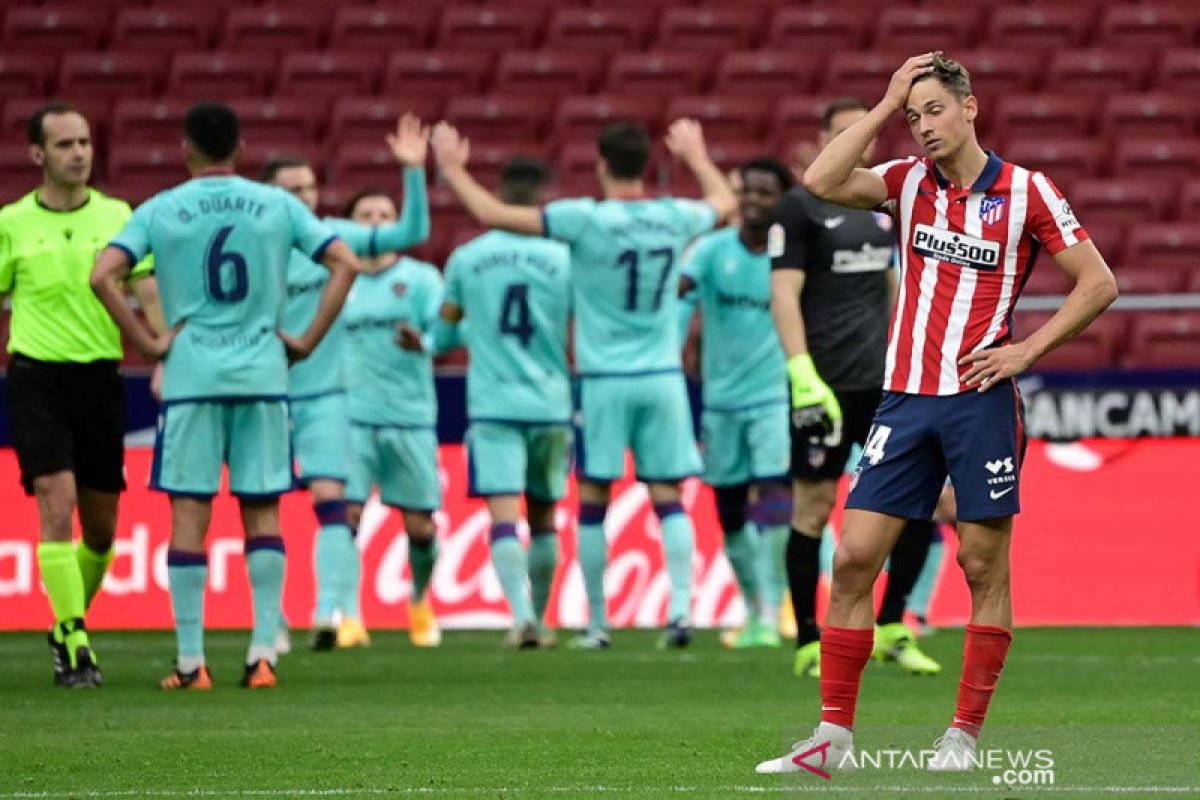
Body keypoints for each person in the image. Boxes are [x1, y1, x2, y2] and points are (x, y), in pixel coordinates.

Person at [755, 53, 1117, 774]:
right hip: (905, 399)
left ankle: (963, 737)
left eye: (933, 111)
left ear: (970, 107)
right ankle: (831, 742)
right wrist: (886, 105)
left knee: (982, 563)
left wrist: (1026, 351)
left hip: (980, 402)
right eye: (913, 117)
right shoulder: (905, 184)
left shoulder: (1025, 192)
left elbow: (1097, 282)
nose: (922, 127)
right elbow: (820, 181)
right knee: (855, 555)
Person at [431, 119, 736, 649]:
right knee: (668, 496)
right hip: (662, 377)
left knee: (594, 497)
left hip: (603, 380)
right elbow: (724, 201)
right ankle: (681, 612)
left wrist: (454, 170)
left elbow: (491, 214)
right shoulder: (675, 216)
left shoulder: (584, 220)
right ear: (645, 165)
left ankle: (597, 624)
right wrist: (697, 155)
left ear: (600, 164)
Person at [90, 103, 359, 690]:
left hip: (192, 379)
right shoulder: (277, 205)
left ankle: (191, 663)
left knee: (190, 515)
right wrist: (308, 340)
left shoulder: (162, 208)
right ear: (239, 150)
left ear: (187, 148)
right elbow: (345, 261)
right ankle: (262, 653)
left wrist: (148, 342)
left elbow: (102, 274)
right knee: (262, 513)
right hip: (263, 371)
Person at [768, 97, 941, 680]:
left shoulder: (881, 206)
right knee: (813, 509)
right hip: (824, 387)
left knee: (921, 502)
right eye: (845, 133)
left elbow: (895, 287)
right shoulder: (799, 209)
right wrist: (801, 372)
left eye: (865, 133)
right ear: (823, 140)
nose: (859, 143)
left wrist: (909, 356)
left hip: (886, 387)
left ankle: (893, 624)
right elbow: (784, 293)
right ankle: (810, 641)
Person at [0, 103, 159, 687]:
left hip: (100, 377)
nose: (79, 154)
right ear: (37, 154)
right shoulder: (11, 222)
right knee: (54, 499)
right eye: (65, 144)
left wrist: (161, 349)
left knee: (101, 529)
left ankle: (70, 618)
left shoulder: (119, 215)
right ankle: (74, 642)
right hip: (37, 375)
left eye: (85, 143)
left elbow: (144, 283)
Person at [262, 114, 431, 651]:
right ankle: (271, 621)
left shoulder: (333, 237)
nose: (305, 198)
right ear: (269, 196)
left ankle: (327, 614)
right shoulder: (251, 243)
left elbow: (410, 234)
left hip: (328, 398)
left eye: (310, 188)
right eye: (292, 190)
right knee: (258, 506)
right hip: (263, 391)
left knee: (335, 503)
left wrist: (413, 174)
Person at [400, 156, 572, 649]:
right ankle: (540, 617)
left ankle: (518, 617)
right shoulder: (562, 257)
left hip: (494, 403)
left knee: (503, 514)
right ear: (542, 199)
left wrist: (430, 342)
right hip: (551, 402)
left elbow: (448, 325)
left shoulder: (467, 258)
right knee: (543, 514)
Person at [676, 157, 795, 650]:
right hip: (721, 402)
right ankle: (753, 611)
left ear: (781, 200)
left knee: (775, 503)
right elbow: (679, 298)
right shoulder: (709, 252)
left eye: (763, 193)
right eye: (745, 191)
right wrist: (679, 343)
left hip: (774, 399)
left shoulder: (791, 255)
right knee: (728, 511)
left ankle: (775, 607)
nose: (751, 201)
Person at [340, 189, 444, 649]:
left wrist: (423, 341)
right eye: (366, 215)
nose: (377, 222)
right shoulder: (336, 278)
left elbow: (446, 330)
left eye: (385, 214)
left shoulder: (421, 279)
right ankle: (349, 614)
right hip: (348, 416)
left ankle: (419, 599)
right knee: (344, 516)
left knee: (420, 526)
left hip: (409, 416)